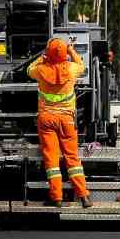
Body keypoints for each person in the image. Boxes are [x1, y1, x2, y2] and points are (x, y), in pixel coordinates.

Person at [28, 38, 91, 208]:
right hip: (67, 120)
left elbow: (28, 70)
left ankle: (56, 198)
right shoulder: (71, 70)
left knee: (52, 160)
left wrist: (43, 56)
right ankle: (84, 196)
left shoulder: (41, 70)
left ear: (48, 52)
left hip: (47, 119)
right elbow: (82, 66)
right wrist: (71, 51)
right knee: (72, 159)